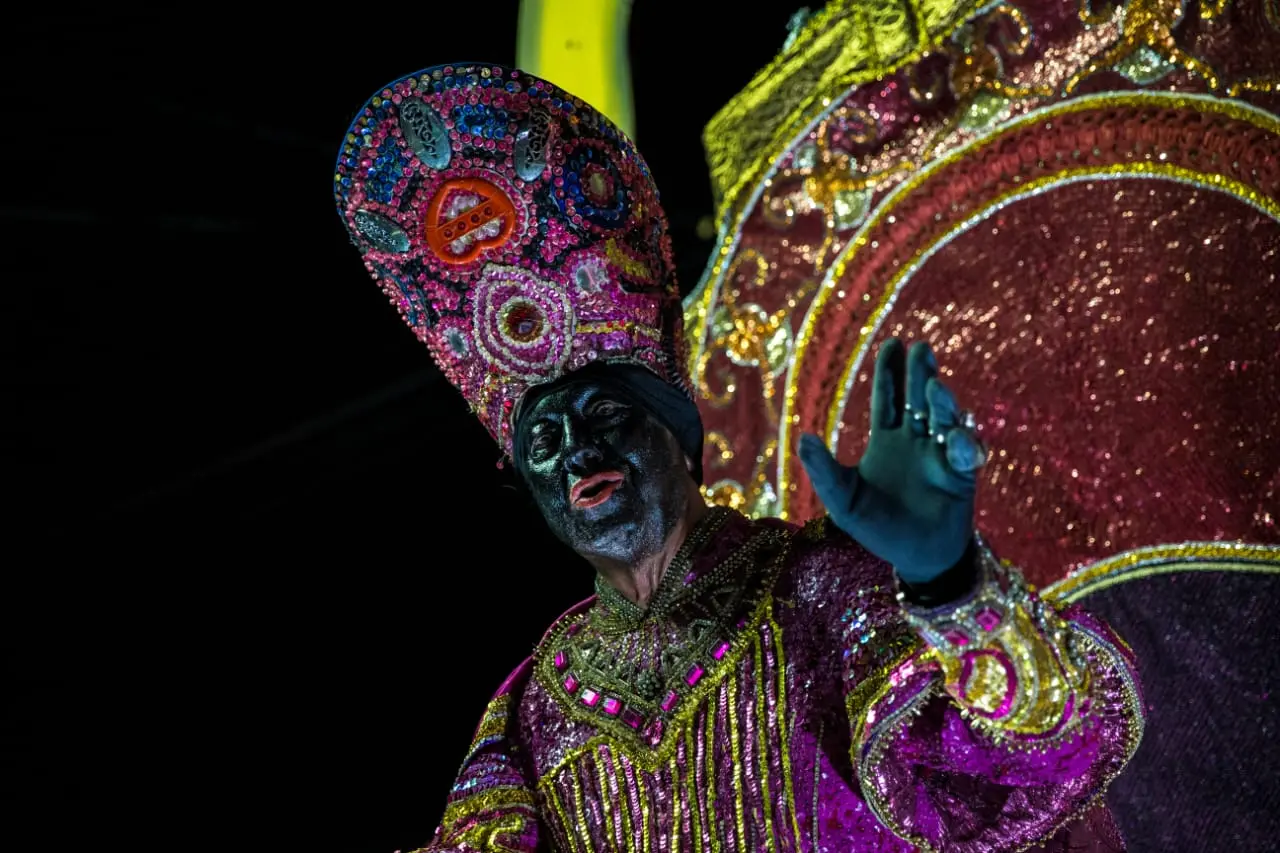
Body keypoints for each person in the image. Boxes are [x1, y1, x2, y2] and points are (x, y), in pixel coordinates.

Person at [334, 63, 1143, 852]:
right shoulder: (534, 710)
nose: (578, 450)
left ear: (676, 435)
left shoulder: (828, 588)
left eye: (606, 413)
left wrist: (949, 582)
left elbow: (1048, 762)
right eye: (542, 443)